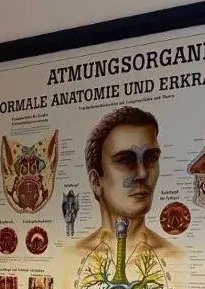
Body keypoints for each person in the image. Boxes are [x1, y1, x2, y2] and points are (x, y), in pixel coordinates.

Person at [76, 106, 179, 260]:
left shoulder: (174, 257)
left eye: (151, 158)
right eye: (125, 160)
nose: (142, 174)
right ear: (96, 182)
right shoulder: (71, 256)